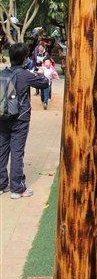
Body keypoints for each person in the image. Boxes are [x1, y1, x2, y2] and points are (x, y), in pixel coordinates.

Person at [0, 42, 49, 199]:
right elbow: (43, 83)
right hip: (20, 119)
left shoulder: (3, 73)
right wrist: (41, 72)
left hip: (2, 118)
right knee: (17, 152)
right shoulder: (25, 74)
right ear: (24, 59)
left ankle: (1, 184)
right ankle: (17, 188)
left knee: (2, 150)